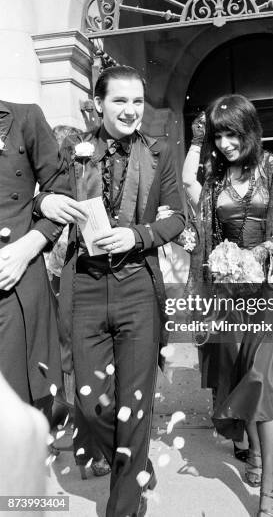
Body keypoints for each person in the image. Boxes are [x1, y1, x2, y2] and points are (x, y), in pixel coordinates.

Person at [38, 66, 185, 517]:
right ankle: (136, 461)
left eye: (137, 101)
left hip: (137, 286)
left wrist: (139, 235)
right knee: (90, 402)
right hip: (84, 284)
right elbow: (46, 198)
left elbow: (177, 218)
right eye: (120, 101)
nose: (130, 110)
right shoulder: (73, 152)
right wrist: (47, 202)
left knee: (134, 405)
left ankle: (124, 506)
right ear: (98, 103)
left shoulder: (160, 153)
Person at [184, 95, 273, 517]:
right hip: (229, 298)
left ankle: (271, 489)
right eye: (219, 135)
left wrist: (259, 252)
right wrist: (200, 250)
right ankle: (255, 456)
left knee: (264, 377)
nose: (225, 143)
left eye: (232, 133)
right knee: (242, 374)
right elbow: (205, 232)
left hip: (272, 292)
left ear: (250, 130)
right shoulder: (216, 176)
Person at [0, 99, 83, 412]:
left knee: (14, 400)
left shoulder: (24, 117)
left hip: (13, 276)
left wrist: (28, 246)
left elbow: (62, 189)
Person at [47, 125, 111, 480]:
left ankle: (81, 444)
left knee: (71, 364)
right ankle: (92, 449)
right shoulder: (73, 196)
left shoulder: (55, 195)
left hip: (62, 285)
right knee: (83, 367)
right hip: (72, 285)